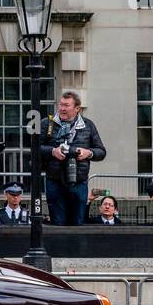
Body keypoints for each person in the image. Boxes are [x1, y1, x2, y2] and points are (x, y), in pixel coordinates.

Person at [38, 91, 106, 225]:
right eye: (61, 104)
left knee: (78, 222)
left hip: (79, 181)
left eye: (66, 105)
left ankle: (76, 246)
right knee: (58, 222)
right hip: (54, 180)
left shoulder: (88, 125)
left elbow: (101, 152)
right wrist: (53, 151)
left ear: (77, 108)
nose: (62, 108)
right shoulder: (47, 123)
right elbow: (34, 148)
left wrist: (88, 153)